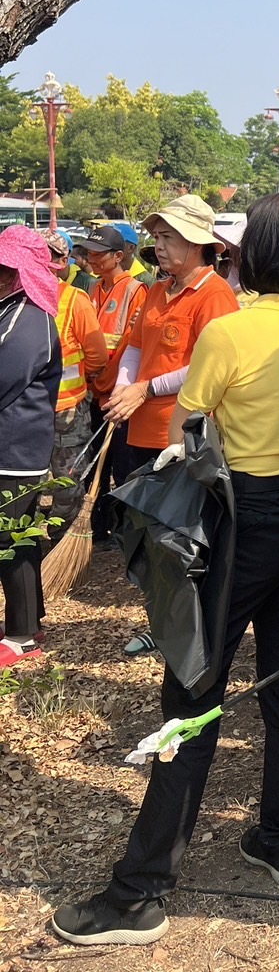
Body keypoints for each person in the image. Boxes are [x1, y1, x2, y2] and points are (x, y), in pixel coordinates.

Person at [52, 193, 279, 946]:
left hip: (239, 518)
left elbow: (194, 426)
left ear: (259, 252)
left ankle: (139, 890)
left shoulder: (234, 330)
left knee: (191, 689)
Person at [105, 196, 240, 473]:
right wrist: (123, 387)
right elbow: (136, 347)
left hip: (182, 435)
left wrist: (144, 389)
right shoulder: (157, 289)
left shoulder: (216, 294)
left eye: (168, 237)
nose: (159, 246)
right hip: (140, 424)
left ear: (195, 243)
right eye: (156, 237)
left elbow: (209, 369)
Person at [0, 228, 61, 667]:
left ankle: (22, 633)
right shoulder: (12, 308)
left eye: (5, 269)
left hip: (15, 448)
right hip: (12, 443)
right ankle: (26, 620)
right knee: (14, 536)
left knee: (12, 536)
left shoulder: (29, 316)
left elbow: (4, 377)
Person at [74, 226, 149, 542]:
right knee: (94, 470)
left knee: (124, 466)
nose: (90, 257)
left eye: (97, 253)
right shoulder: (91, 291)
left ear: (119, 256)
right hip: (92, 391)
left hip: (116, 395)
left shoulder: (135, 292)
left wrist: (110, 387)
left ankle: (126, 531)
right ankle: (99, 528)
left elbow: (130, 347)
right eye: (88, 252)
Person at [38, 230, 107, 536]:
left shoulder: (74, 301)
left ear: (62, 261)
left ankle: (64, 545)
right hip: (33, 412)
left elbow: (97, 356)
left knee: (68, 483)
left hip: (66, 413)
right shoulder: (18, 298)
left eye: (48, 257)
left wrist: (77, 385)